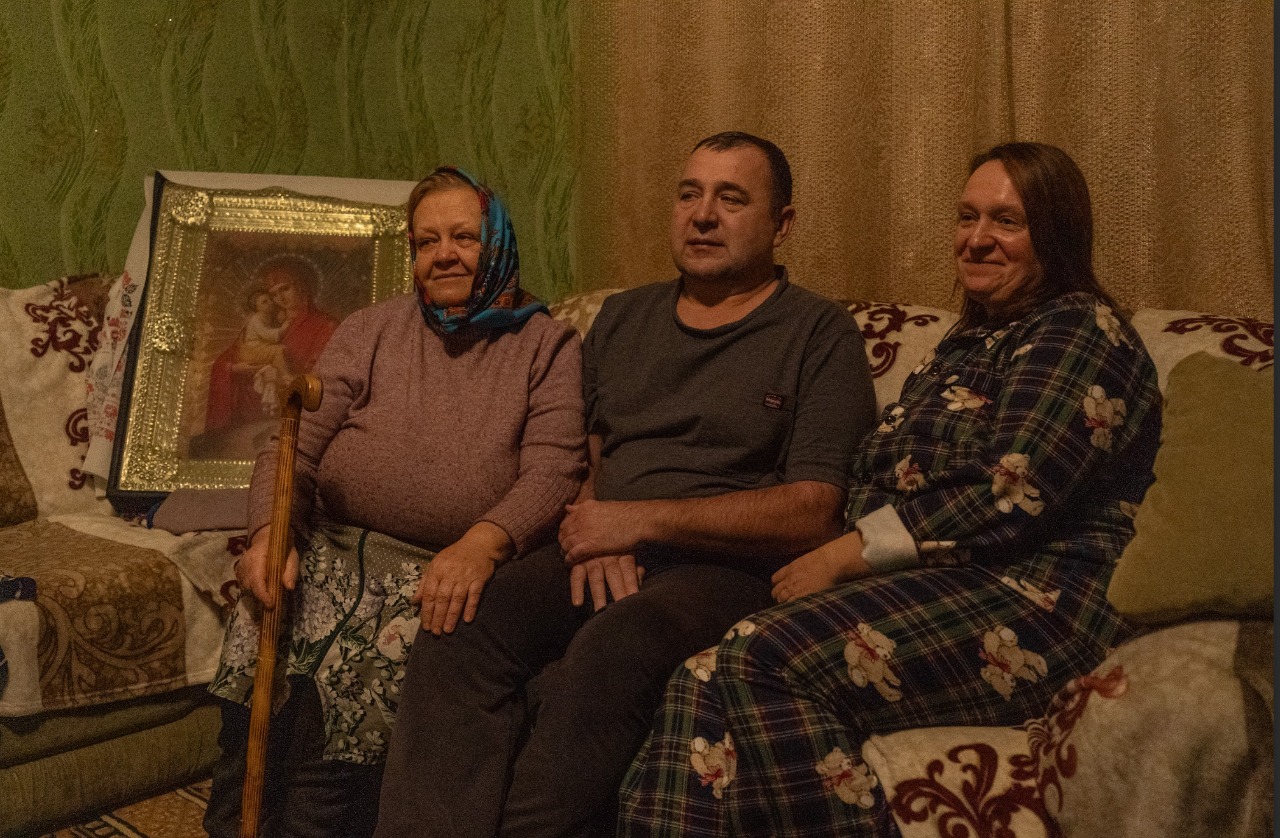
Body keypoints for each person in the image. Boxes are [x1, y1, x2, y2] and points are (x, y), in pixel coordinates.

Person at [617, 141, 1164, 837]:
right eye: (966, 217)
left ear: (1055, 235)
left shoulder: (1078, 328)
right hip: (934, 586)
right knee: (695, 682)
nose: (977, 238)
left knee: (761, 656)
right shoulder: (967, 343)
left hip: (1038, 598)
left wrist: (848, 552)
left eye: (1006, 221)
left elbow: (1010, 488)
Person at [373, 131, 877, 838]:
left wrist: (636, 521)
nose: (703, 215)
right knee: (461, 623)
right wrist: (592, 524)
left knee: (616, 647)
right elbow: (580, 457)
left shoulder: (818, 332)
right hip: (602, 546)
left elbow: (814, 511)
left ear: (781, 224)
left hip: (724, 570)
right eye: (689, 194)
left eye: (732, 199)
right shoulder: (623, 317)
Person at [203, 167, 586, 838]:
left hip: (432, 568)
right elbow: (292, 447)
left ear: (497, 241)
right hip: (329, 545)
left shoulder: (544, 345)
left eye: (463, 237)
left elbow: (555, 470)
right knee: (261, 641)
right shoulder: (372, 329)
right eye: (426, 241)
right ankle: (232, 822)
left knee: (343, 703)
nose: (443, 255)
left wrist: (483, 542)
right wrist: (268, 535)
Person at [205, 257, 339, 433]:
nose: (280, 298)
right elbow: (228, 361)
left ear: (301, 287)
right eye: (274, 294)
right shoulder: (270, 323)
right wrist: (237, 369)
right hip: (254, 415)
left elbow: (328, 379)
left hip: (300, 417)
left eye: (285, 289)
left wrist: (282, 379)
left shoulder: (325, 326)